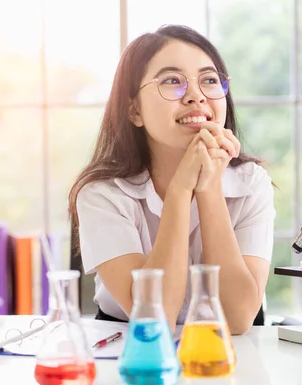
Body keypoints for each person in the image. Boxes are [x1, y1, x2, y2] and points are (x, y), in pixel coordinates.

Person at [68, 25, 276, 334]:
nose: (196, 96)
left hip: (233, 354)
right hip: (131, 349)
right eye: (172, 82)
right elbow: (154, 320)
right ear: (134, 110)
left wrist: (208, 189)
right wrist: (180, 191)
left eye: (209, 80)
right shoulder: (102, 194)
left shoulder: (251, 182)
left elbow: (237, 319)